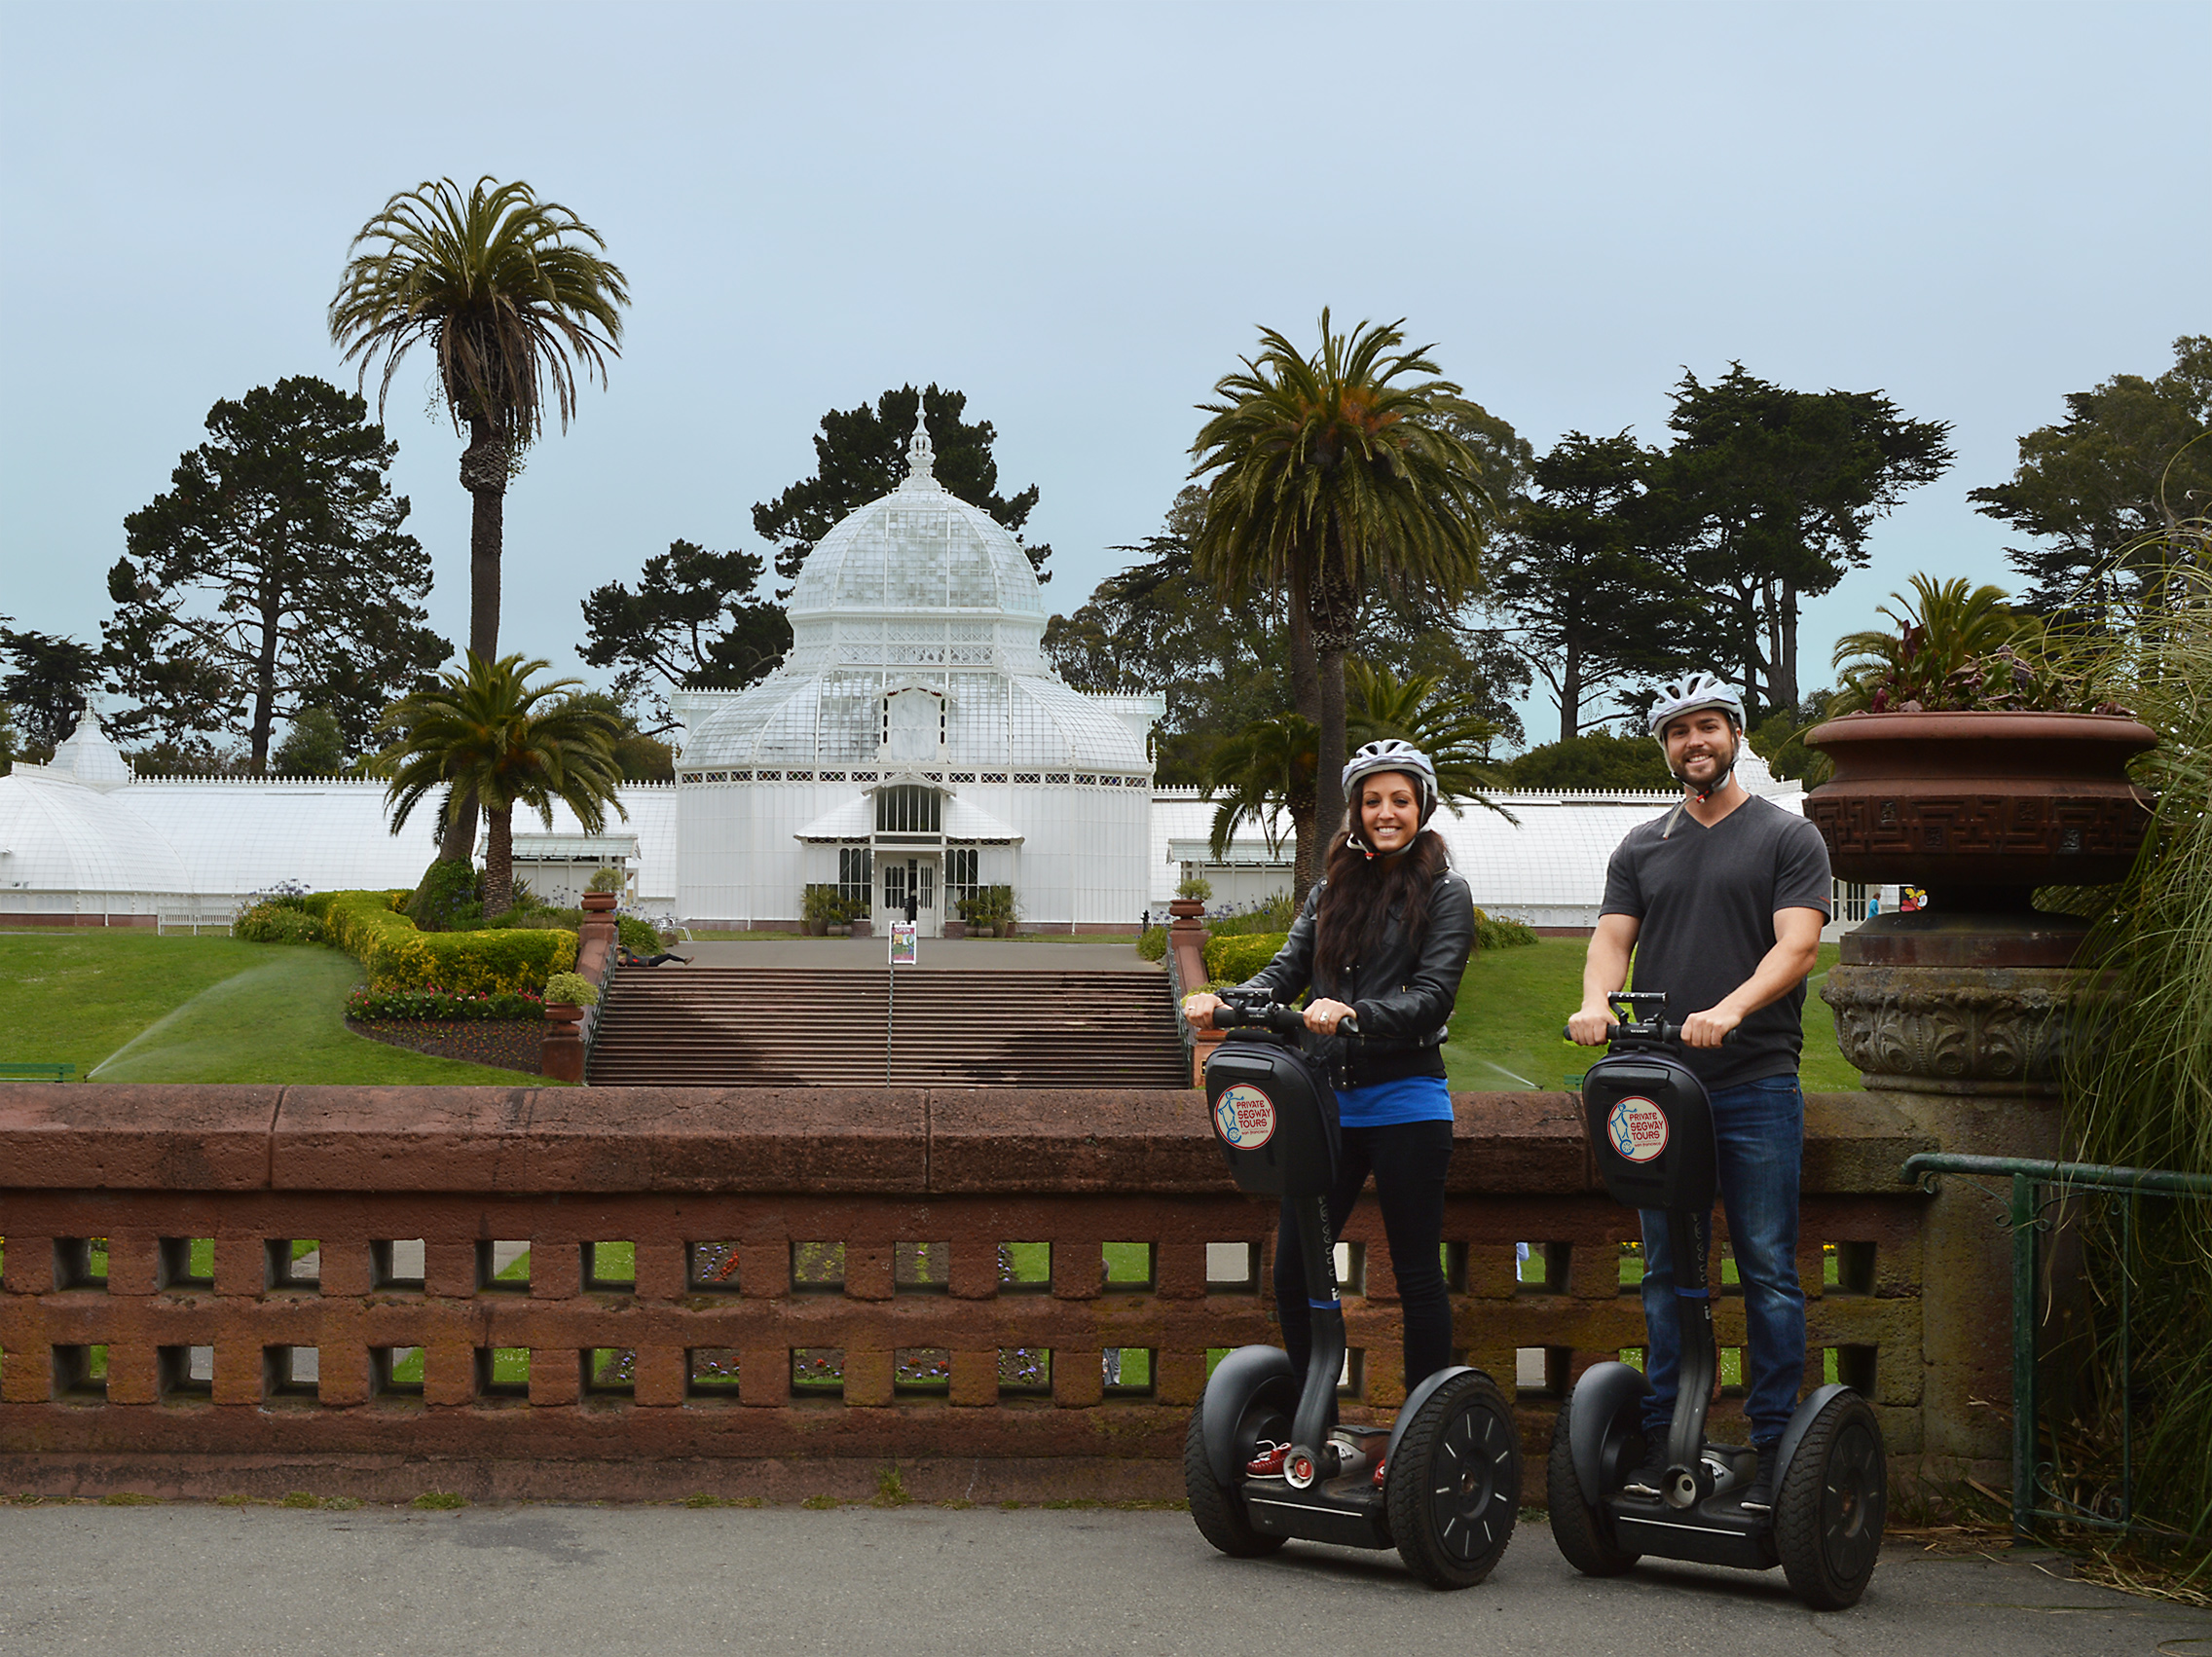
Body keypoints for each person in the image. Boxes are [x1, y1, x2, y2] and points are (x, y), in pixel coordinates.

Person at [1567, 672, 1831, 1515]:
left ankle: (1770, 1442)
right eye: (1679, 732)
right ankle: (1663, 1433)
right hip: (1663, 1089)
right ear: (1666, 748)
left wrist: (1730, 1008)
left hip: (1754, 1081)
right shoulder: (1643, 845)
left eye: (1708, 727)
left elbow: (1797, 949)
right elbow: (1611, 940)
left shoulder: (1788, 838)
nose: (1695, 743)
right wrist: (1594, 1002)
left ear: (1737, 735)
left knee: (1765, 1268)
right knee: (1665, 1271)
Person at [1183, 739, 1475, 1480]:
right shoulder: (1330, 888)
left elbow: (1432, 999)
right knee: (1294, 1271)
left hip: (1408, 1102)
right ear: (1356, 810)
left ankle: (1418, 1434)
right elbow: (1287, 970)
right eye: (1373, 801)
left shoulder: (1445, 891)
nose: (1385, 813)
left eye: (1400, 800)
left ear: (1422, 807)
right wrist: (1227, 999)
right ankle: (1315, 1418)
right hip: (1327, 1107)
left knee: (1416, 1275)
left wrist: (1354, 1013)